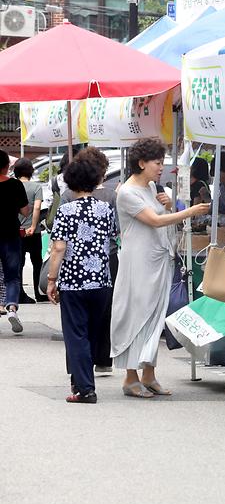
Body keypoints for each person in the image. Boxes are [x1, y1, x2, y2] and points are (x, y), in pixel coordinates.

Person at [110, 139, 209, 398]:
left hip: (159, 260)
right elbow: (153, 221)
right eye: (157, 163)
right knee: (137, 315)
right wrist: (189, 212)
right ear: (141, 163)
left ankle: (149, 374)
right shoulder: (127, 192)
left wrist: (167, 204)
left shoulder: (153, 187)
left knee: (155, 316)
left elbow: (160, 215)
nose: (160, 168)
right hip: (138, 264)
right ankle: (130, 377)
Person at [45, 152, 118, 404]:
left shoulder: (65, 211)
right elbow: (111, 238)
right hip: (101, 280)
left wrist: (52, 279)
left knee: (76, 334)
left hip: (74, 281)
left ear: (71, 180)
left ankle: (86, 389)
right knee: (91, 333)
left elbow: (58, 248)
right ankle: (79, 384)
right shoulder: (106, 209)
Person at [59, 148, 116, 373]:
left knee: (75, 324)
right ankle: (102, 359)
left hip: (73, 269)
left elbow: (59, 241)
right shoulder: (111, 197)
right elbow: (117, 230)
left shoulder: (67, 198)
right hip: (105, 262)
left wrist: (53, 277)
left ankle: (77, 368)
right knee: (102, 315)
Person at [0, 150, 30, 333]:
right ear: (7, 166)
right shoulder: (15, 185)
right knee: (12, 276)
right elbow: (25, 211)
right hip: (10, 234)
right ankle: (11, 307)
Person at [13, 158, 47, 304]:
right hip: (34, 232)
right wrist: (33, 226)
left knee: (18, 263)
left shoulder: (12, 186)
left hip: (16, 231)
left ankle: (19, 294)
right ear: (31, 171)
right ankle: (38, 294)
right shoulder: (36, 187)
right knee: (37, 262)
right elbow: (37, 207)